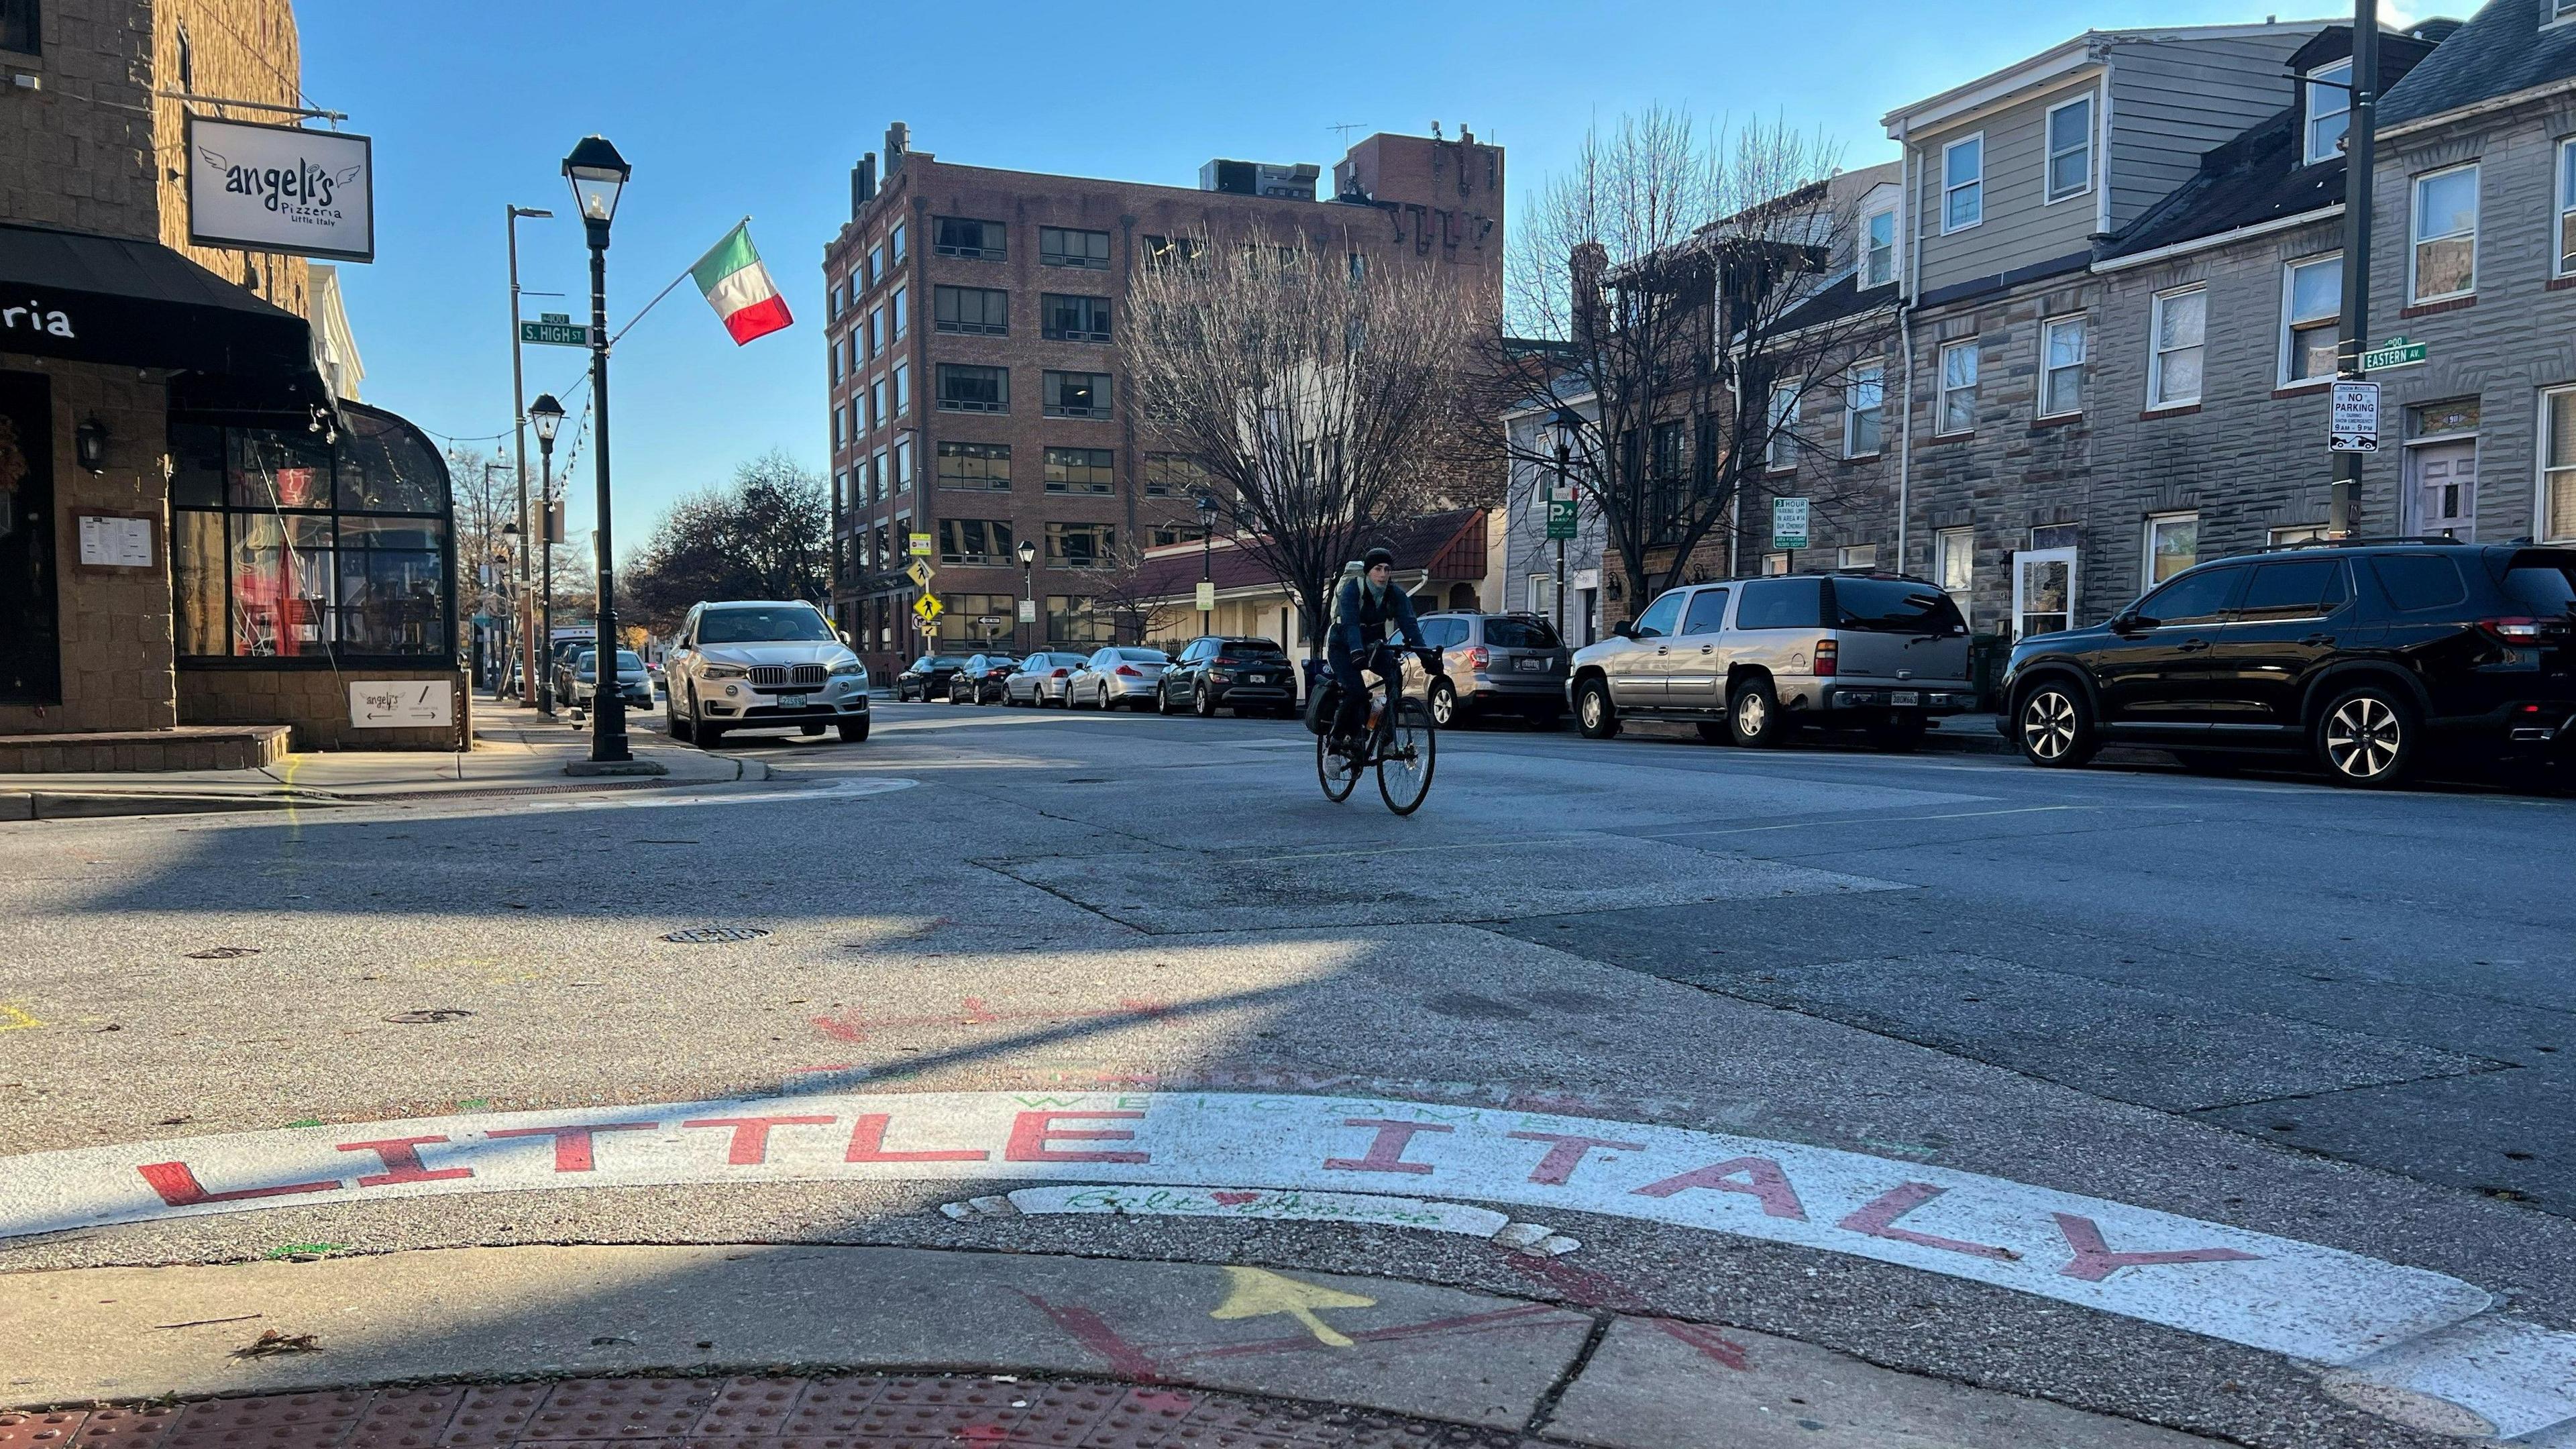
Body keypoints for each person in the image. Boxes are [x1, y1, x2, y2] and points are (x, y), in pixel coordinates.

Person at [1326, 546, 1429, 759]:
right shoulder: (1353, 590)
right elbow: (1351, 624)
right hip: (1343, 646)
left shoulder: (1395, 594)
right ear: (1368, 571)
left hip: (1375, 646)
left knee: (1395, 677)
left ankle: (1386, 738)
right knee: (1357, 692)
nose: (1383, 574)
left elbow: (1410, 624)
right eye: (1378, 569)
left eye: (1387, 569)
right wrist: (1355, 650)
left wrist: (1427, 657)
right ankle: (1334, 745)